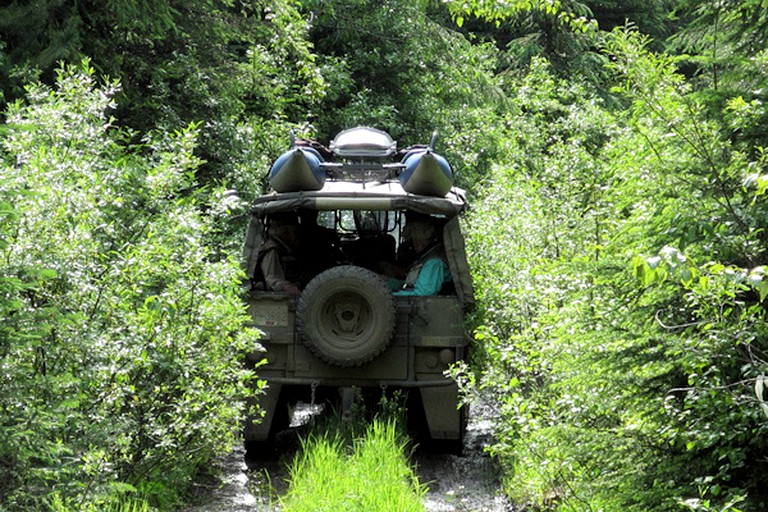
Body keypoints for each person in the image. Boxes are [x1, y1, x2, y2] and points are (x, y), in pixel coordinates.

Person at [388, 218, 451, 296]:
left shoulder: (434, 262)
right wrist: (387, 282)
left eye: (413, 241)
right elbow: (411, 284)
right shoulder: (428, 257)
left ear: (419, 244)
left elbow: (422, 295)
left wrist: (386, 295)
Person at [255, 212, 302, 294]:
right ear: (285, 232)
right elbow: (271, 280)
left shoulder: (285, 250)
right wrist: (287, 287)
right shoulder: (271, 251)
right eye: (295, 232)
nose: (298, 236)